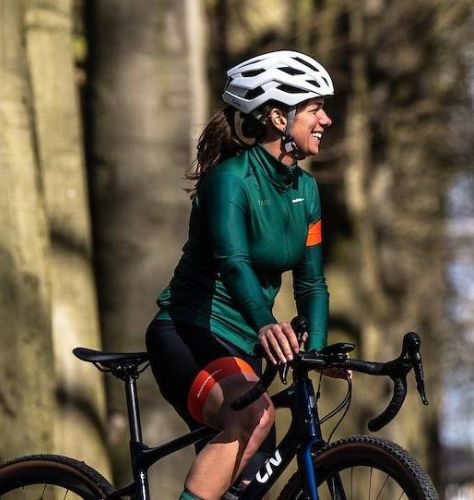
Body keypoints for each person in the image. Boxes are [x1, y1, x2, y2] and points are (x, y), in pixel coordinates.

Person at [145, 50, 336, 500]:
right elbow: (233, 262)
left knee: (251, 480)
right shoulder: (229, 182)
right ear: (277, 117)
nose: (326, 119)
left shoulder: (306, 192)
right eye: (315, 108)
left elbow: (311, 283)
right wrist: (266, 323)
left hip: (245, 347)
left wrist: (320, 350)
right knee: (252, 414)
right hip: (189, 333)